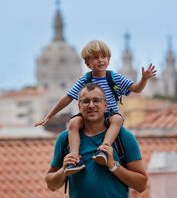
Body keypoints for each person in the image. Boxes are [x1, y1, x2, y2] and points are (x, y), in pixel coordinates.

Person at [35, 40, 156, 174]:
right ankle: (74, 159)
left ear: (109, 60)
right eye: (95, 57)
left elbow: (135, 89)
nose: (100, 60)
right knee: (73, 122)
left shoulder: (114, 78)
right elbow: (68, 97)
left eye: (103, 56)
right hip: (89, 116)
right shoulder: (84, 80)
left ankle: (103, 149)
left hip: (110, 114)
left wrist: (144, 79)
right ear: (87, 63)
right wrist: (49, 116)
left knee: (118, 120)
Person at [45, 83, 147, 198]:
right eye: (86, 101)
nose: (91, 105)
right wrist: (63, 170)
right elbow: (51, 184)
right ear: (79, 106)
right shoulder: (65, 139)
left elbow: (141, 184)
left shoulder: (123, 137)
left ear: (105, 105)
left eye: (96, 100)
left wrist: (113, 165)